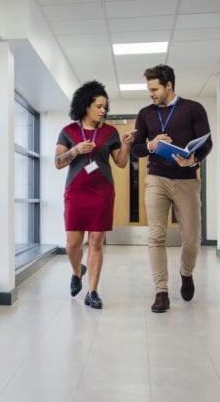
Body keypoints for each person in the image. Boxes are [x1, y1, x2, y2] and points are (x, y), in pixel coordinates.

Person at [131, 64, 213, 313]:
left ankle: (186, 273)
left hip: (186, 179)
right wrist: (152, 145)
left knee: (191, 238)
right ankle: (161, 291)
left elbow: (206, 143)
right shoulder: (145, 113)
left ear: (169, 86)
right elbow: (136, 149)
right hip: (156, 178)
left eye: (154, 89)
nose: (151, 94)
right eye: (149, 89)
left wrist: (193, 159)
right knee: (156, 236)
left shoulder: (193, 109)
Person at [55, 80, 136, 309]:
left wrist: (126, 145)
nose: (103, 110)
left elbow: (120, 163)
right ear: (86, 105)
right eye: (99, 106)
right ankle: (76, 271)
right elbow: (58, 163)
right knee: (73, 244)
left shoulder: (110, 132)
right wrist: (75, 150)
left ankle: (92, 291)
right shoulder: (68, 131)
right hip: (76, 192)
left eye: (105, 107)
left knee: (96, 241)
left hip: (102, 192)